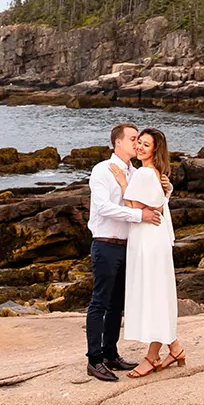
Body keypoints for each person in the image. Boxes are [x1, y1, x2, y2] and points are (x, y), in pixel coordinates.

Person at [84, 123, 159, 381]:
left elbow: (147, 201)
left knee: (117, 304)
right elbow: (103, 208)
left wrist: (165, 186)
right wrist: (139, 215)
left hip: (127, 245)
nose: (136, 144)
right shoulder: (102, 170)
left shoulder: (135, 172)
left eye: (139, 140)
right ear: (118, 142)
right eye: (133, 139)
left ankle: (110, 354)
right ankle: (94, 360)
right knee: (100, 302)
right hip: (105, 243)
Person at [119, 127, 185, 376]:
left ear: (155, 150)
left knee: (153, 295)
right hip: (151, 239)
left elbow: (135, 205)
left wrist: (122, 182)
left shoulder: (145, 174)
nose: (139, 147)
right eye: (139, 143)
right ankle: (175, 348)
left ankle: (152, 356)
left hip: (148, 241)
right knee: (156, 293)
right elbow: (157, 202)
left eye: (146, 145)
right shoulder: (155, 174)